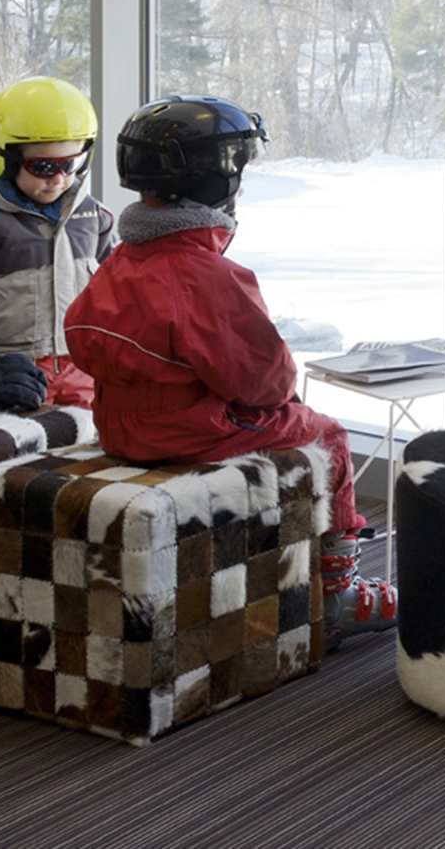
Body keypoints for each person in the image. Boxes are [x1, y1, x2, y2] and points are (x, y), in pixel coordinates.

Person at [60, 96, 393, 648]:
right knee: (328, 434)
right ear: (217, 180)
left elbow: (82, 333)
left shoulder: (122, 258)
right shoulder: (206, 274)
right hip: (189, 432)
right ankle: (337, 588)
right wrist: (280, 389)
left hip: (120, 428)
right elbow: (265, 381)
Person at [0, 76, 115, 412]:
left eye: (71, 164)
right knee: (21, 452)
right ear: (5, 158)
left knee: (85, 449)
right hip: (10, 376)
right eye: (43, 167)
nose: (58, 178)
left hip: (83, 369)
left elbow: (117, 291)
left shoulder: (93, 218)